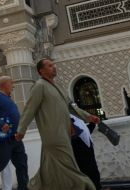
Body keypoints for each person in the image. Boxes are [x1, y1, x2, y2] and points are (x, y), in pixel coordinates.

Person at [16, 58, 100, 190]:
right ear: (41, 71)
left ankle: (35, 187)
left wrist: (89, 117)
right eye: (50, 66)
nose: (54, 67)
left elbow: (72, 108)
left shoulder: (57, 87)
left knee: (49, 168)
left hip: (63, 133)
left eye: (53, 64)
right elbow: (29, 109)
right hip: (53, 135)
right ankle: (87, 186)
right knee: (68, 164)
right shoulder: (39, 86)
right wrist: (21, 130)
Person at [70, 115, 101, 190]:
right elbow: (73, 135)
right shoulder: (66, 118)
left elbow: (85, 132)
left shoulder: (75, 118)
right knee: (87, 176)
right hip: (80, 155)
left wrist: (93, 124)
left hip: (88, 154)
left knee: (94, 174)